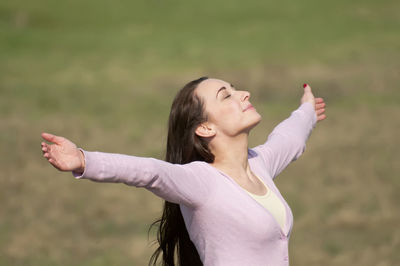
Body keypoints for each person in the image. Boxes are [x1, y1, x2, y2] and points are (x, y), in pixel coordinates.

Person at [41, 77, 326, 266]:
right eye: (226, 96)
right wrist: (83, 159)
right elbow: (150, 171)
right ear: (205, 128)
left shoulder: (259, 165)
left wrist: (306, 111)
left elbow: (289, 139)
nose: (243, 94)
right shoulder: (202, 182)